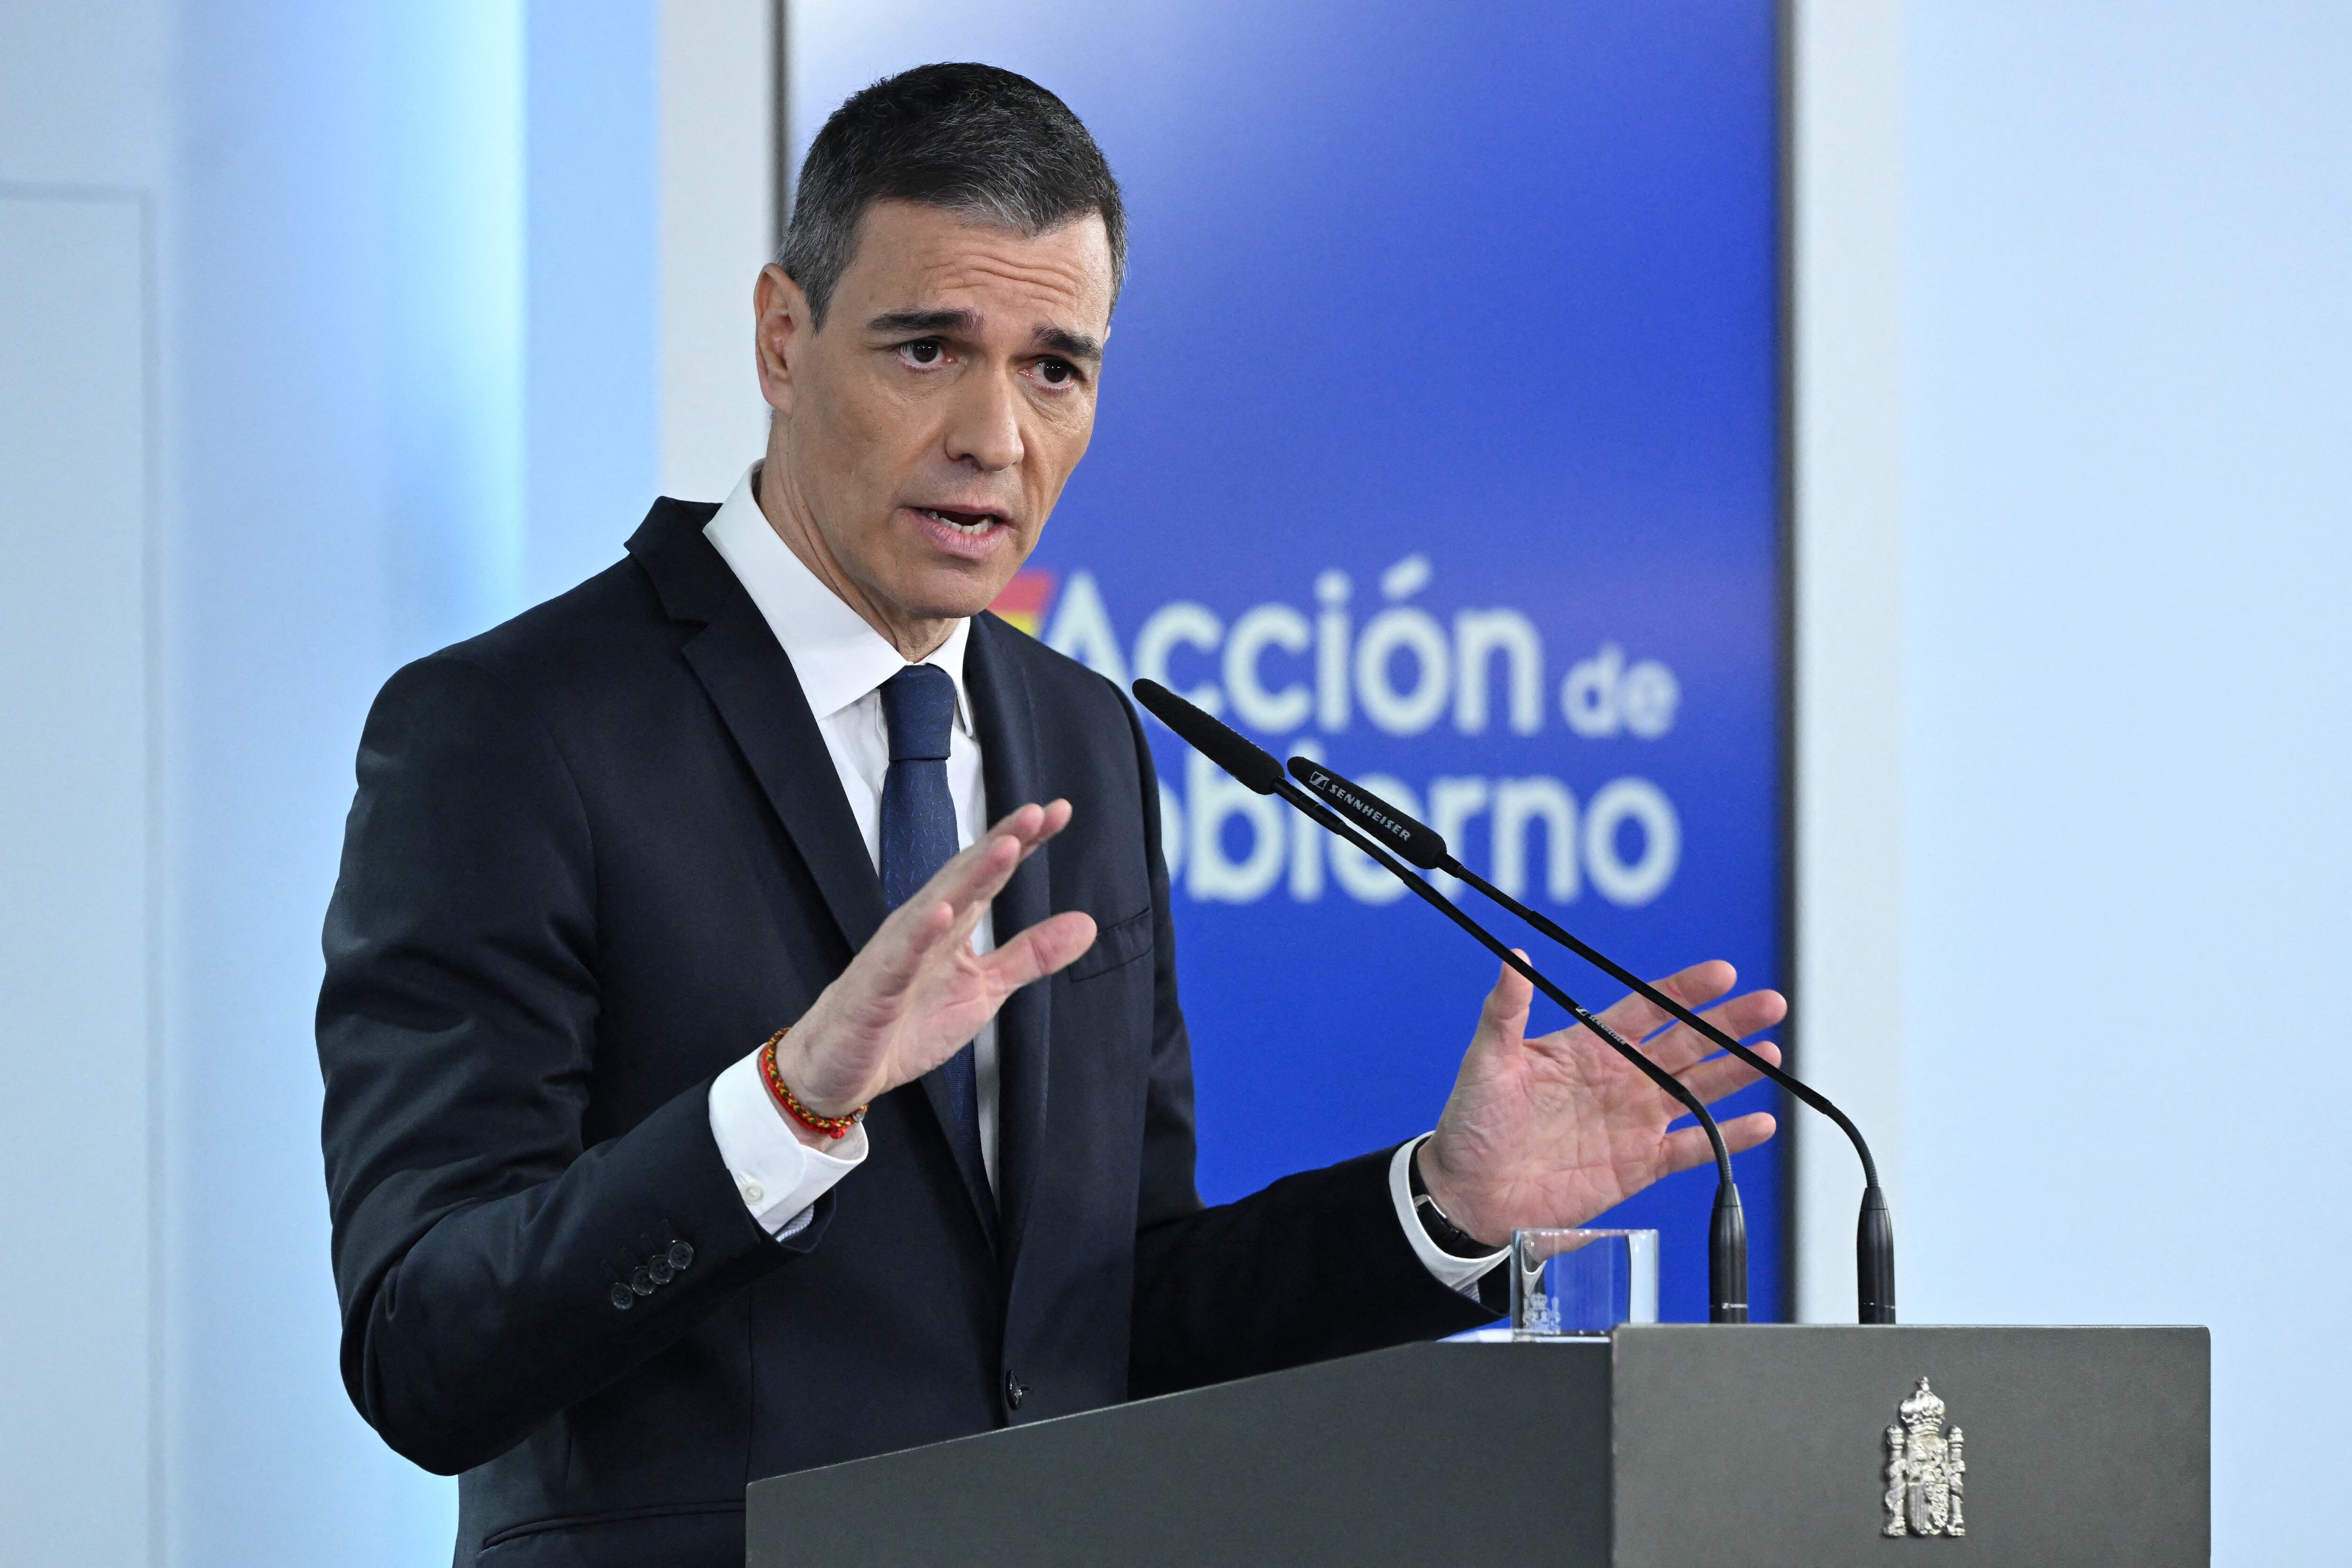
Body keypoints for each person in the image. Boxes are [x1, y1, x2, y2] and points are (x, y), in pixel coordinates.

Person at [317, 62, 1782, 1567]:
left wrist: (1441, 1207)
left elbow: (1113, 1309)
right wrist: (787, 1107)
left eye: (1055, 371)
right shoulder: (514, 730)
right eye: (928, 349)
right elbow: (427, 1348)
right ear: (781, 338)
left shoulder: (1080, 735)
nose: (995, 436)